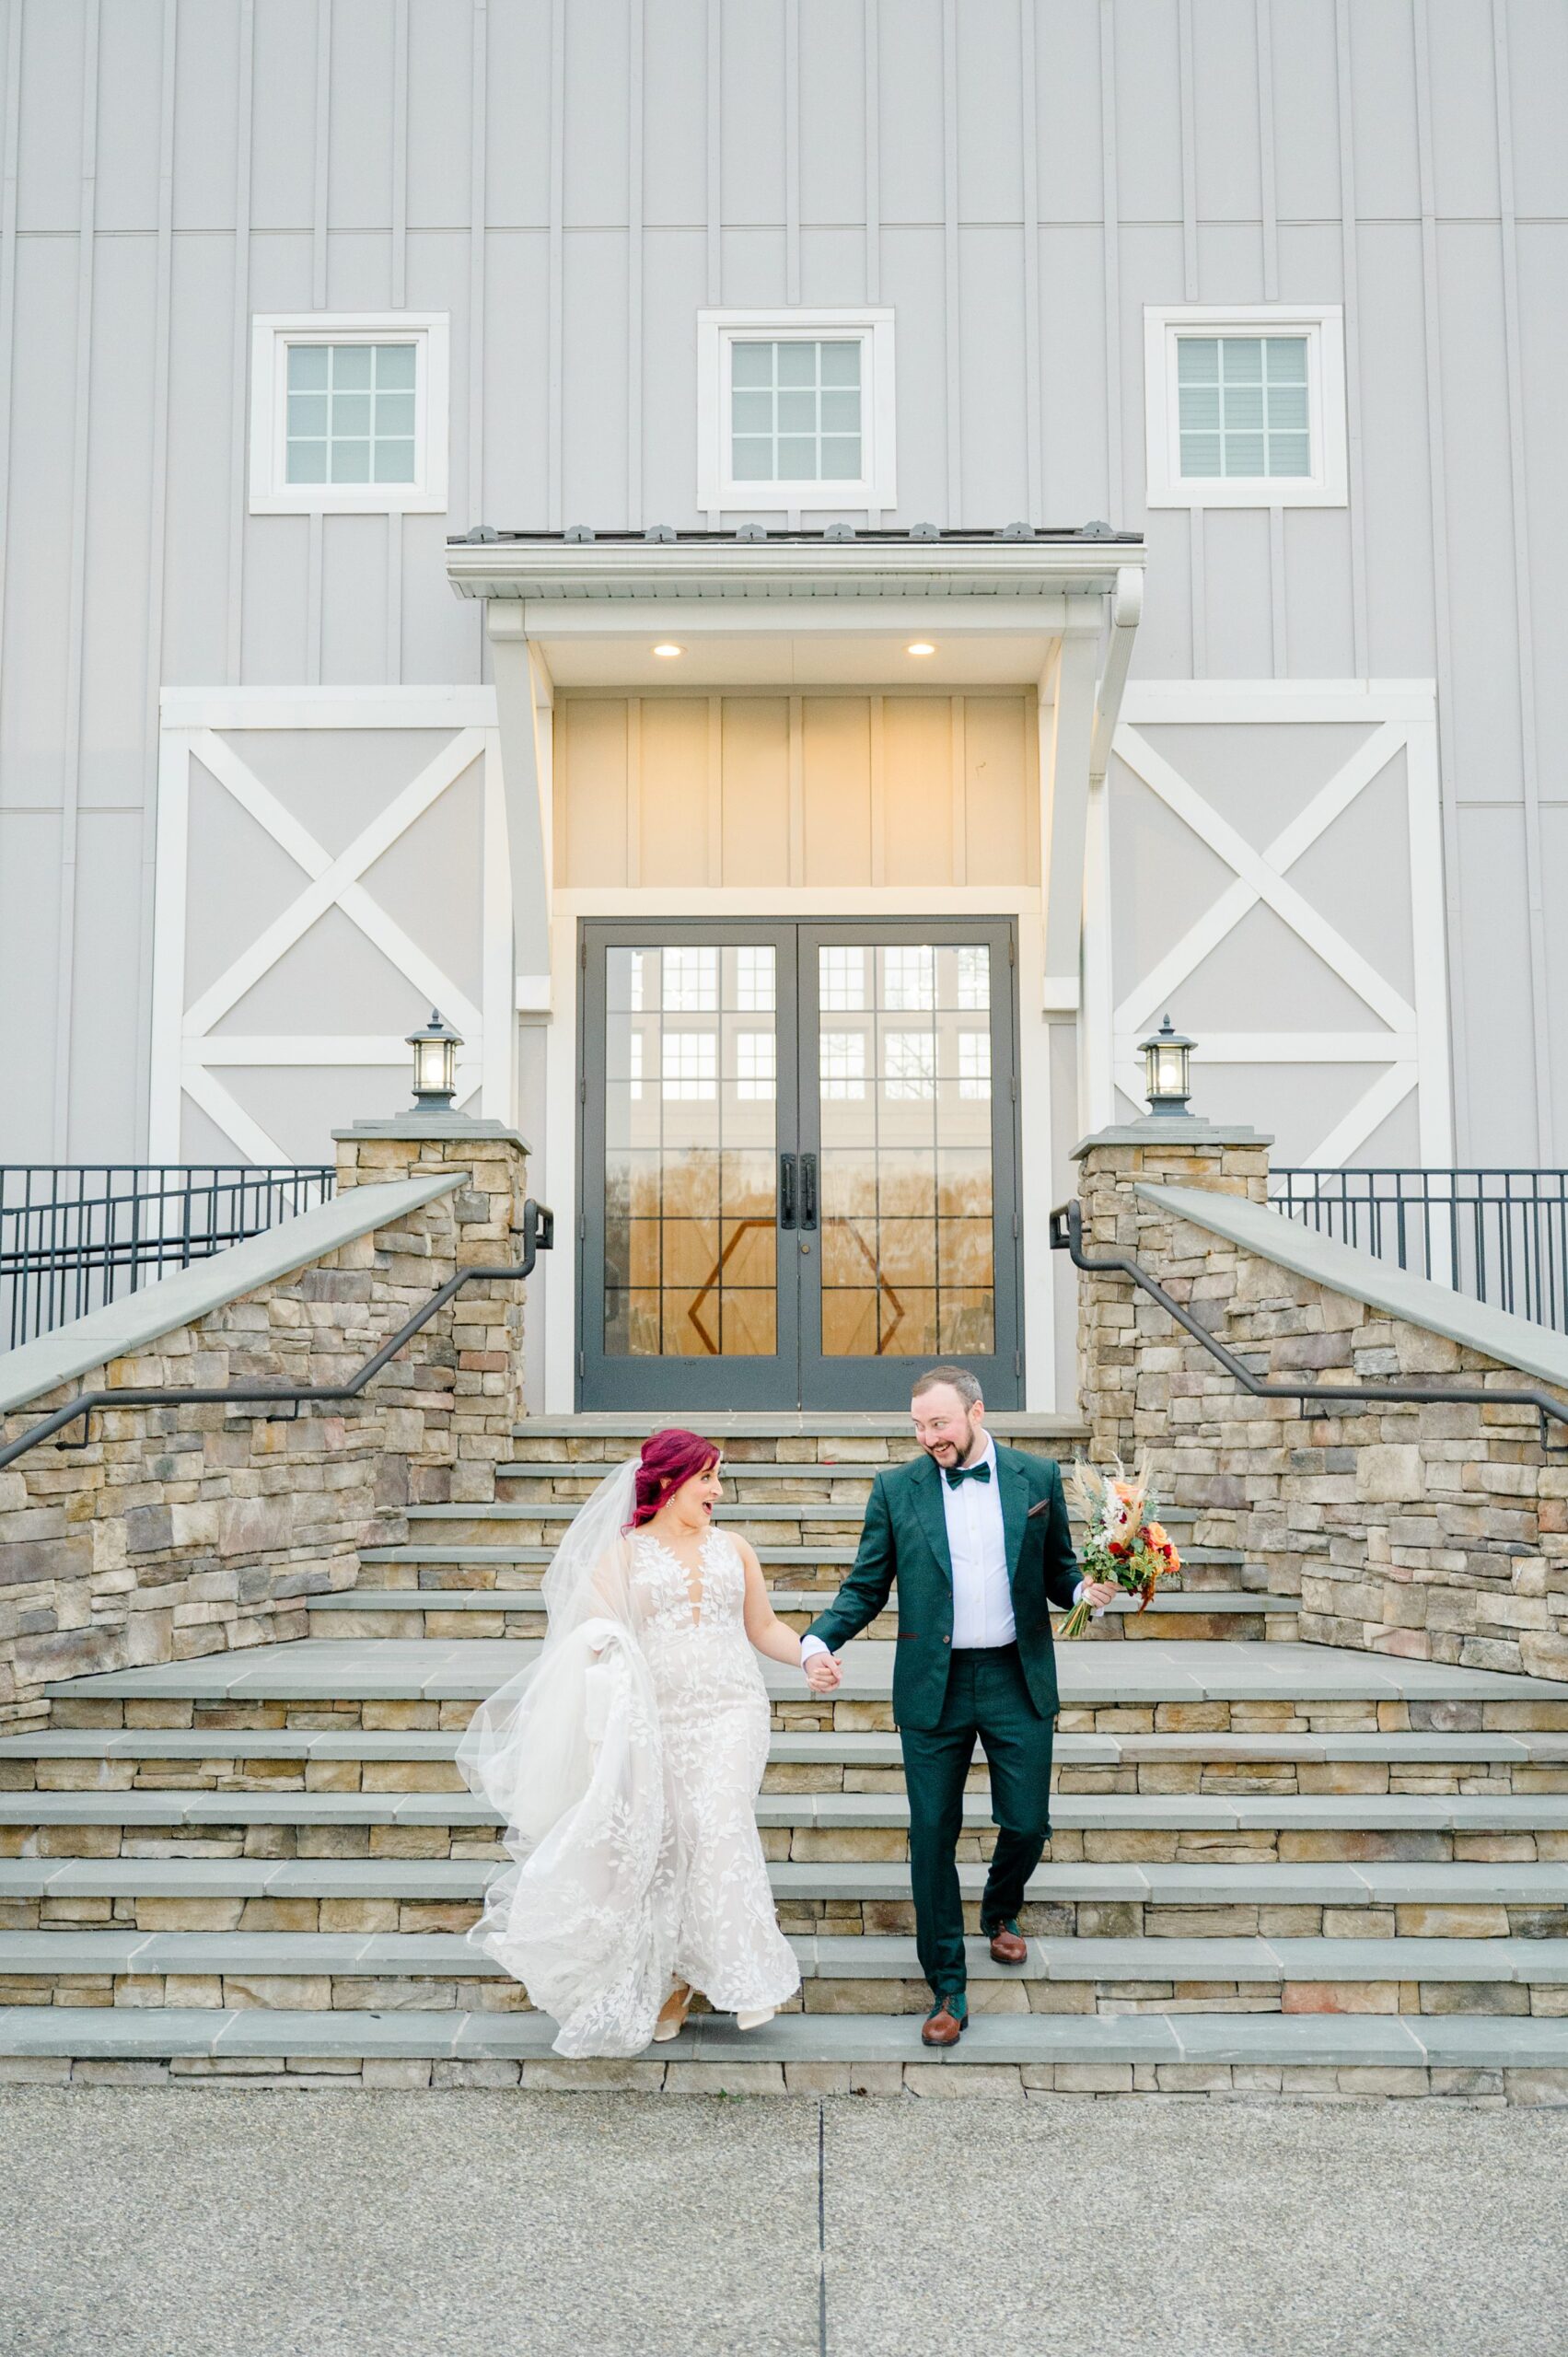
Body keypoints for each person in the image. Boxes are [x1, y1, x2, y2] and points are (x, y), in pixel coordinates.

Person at [455, 1428, 803, 2056]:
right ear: (669, 1482)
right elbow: (589, 1644)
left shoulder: (736, 1549)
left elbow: (764, 1626)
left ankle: (744, 1975)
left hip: (731, 1710)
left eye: (718, 1478)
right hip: (655, 1718)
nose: (718, 1491)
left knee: (719, 1824)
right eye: (707, 1478)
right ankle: (669, 1981)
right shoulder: (620, 1557)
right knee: (663, 1844)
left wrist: (808, 1656)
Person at [799, 1366, 1118, 2048]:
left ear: (975, 1411)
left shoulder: (1035, 1476)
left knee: (1027, 1823)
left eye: (938, 1423)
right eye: (917, 1426)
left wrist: (1083, 1590)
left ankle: (999, 1912)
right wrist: (814, 1641)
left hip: (1014, 1675)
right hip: (932, 1683)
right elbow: (865, 1586)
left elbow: (1058, 1567)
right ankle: (947, 1984)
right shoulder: (895, 1489)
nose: (927, 1437)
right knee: (932, 1837)